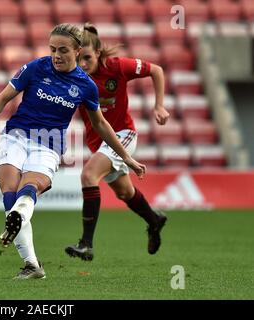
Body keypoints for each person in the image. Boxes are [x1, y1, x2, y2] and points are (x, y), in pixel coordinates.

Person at [0, 23, 146, 280]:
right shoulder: (35, 67)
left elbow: (101, 124)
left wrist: (126, 157)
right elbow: (4, 97)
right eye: (52, 49)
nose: (56, 55)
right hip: (16, 137)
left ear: (77, 50)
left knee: (28, 190)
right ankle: (32, 263)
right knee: (10, 193)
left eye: (63, 50)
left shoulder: (86, 86)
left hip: (49, 144)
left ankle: (23, 233)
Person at [65, 23, 170, 261]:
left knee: (88, 176)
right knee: (124, 193)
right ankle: (154, 220)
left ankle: (86, 244)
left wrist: (159, 105)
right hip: (99, 142)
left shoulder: (118, 67)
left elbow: (157, 70)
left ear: (99, 53)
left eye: (87, 58)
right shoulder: (73, 76)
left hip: (123, 134)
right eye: (78, 58)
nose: (82, 64)